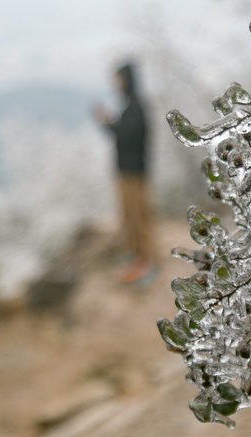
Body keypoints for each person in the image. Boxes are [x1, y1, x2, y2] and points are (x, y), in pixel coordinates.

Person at [93, 62, 157, 284]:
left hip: (134, 172)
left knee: (138, 217)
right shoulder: (131, 105)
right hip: (127, 171)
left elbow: (127, 135)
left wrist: (107, 121)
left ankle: (146, 264)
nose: (116, 84)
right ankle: (138, 258)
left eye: (118, 79)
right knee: (130, 217)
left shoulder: (136, 106)